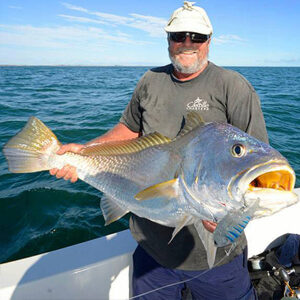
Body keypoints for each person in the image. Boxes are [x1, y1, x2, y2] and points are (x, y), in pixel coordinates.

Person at [50, 1, 268, 299]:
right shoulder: (150, 80)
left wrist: (230, 216)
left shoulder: (233, 86)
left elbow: (258, 166)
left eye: (197, 37)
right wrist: (85, 150)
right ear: (168, 40)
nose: (187, 43)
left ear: (209, 41)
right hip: (152, 250)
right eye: (179, 36)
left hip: (217, 258)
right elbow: (129, 130)